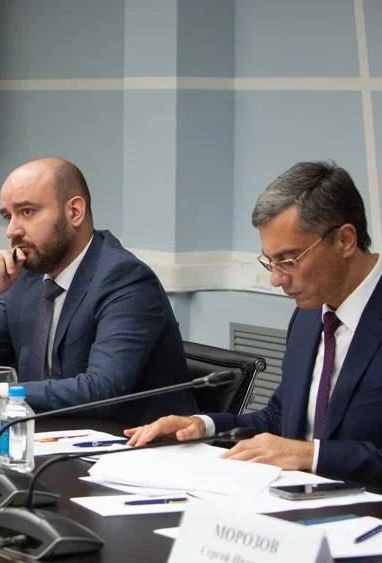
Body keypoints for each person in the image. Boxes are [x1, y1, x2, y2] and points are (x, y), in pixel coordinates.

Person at [127, 161, 382, 484]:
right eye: (270, 262)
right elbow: (279, 418)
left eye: (289, 260)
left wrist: (312, 455)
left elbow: (301, 448)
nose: (276, 279)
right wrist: (203, 426)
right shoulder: (308, 315)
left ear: (345, 240)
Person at [0, 158, 195, 426]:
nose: (12, 231)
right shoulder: (25, 278)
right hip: (45, 438)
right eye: (7, 216)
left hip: (132, 445)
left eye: (27, 212)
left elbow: (103, 390)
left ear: (74, 212)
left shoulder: (125, 279)